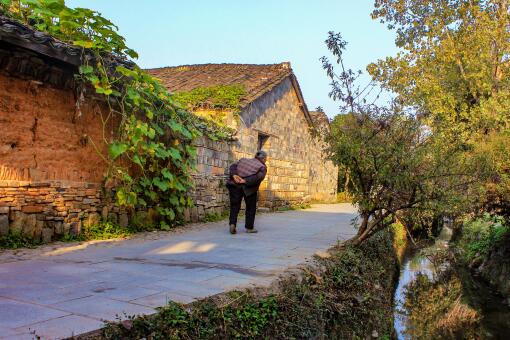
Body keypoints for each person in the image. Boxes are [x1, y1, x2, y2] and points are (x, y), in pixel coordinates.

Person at [227, 151, 268, 234]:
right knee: (250, 208)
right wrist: (245, 181)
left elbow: (233, 166)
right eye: (266, 159)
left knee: (234, 206)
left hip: (235, 186)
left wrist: (234, 175)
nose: (266, 160)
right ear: (263, 159)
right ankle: (249, 228)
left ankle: (232, 224)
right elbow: (258, 177)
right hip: (249, 189)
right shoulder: (262, 167)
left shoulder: (243, 160)